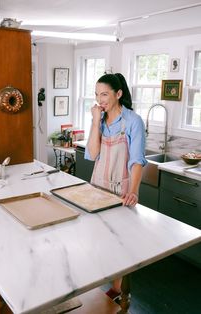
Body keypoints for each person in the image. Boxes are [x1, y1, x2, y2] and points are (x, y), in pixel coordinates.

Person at [85, 73, 147, 300]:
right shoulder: (99, 119)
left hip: (121, 190)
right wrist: (94, 121)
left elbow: (137, 160)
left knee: (120, 243)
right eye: (96, 94)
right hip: (98, 187)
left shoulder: (133, 121)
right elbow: (92, 154)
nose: (99, 99)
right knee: (99, 238)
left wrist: (134, 191)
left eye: (104, 94)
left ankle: (119, 290)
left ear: (118, 94)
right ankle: (102, 282)